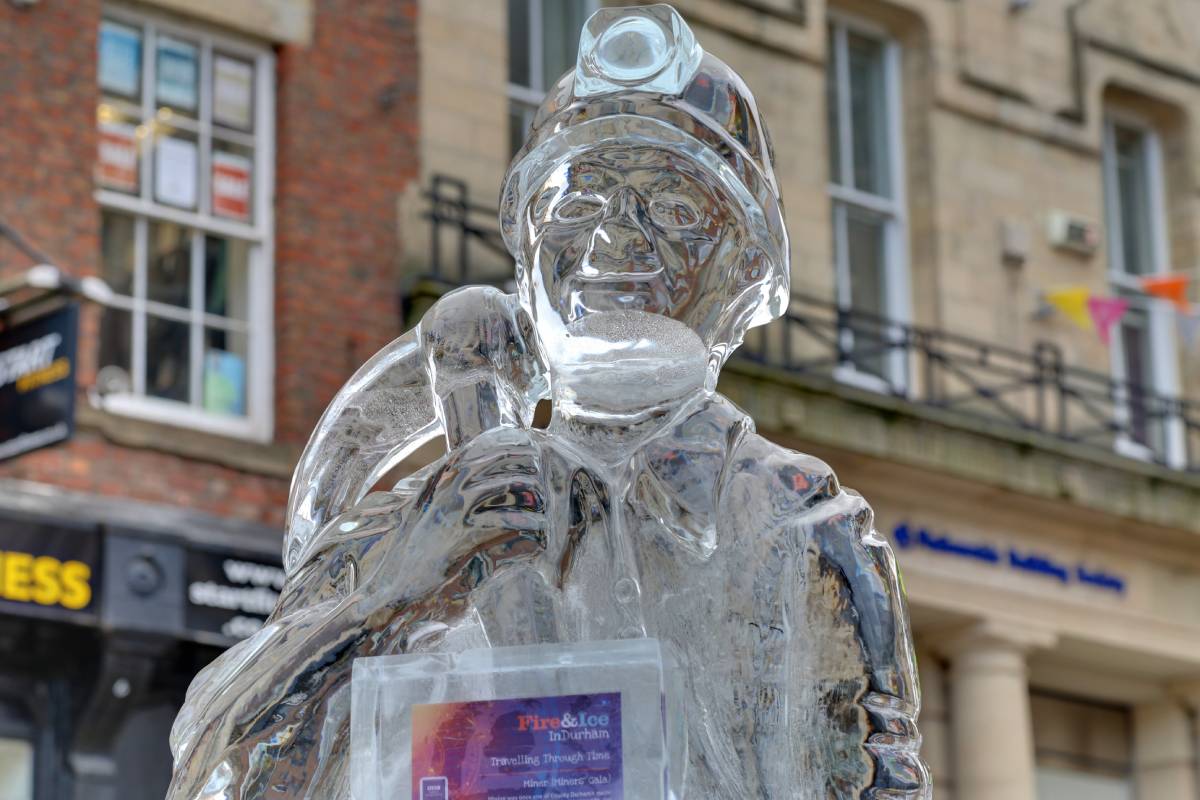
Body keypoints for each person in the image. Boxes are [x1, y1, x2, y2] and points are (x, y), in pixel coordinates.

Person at [166, 6, 929, 798]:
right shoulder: (409, 533)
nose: (614, 242)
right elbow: (213, 776)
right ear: (526, 261)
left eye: (671, 213)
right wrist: (394, 597)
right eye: (574, 208)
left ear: (747, 275)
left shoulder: (804, 526)